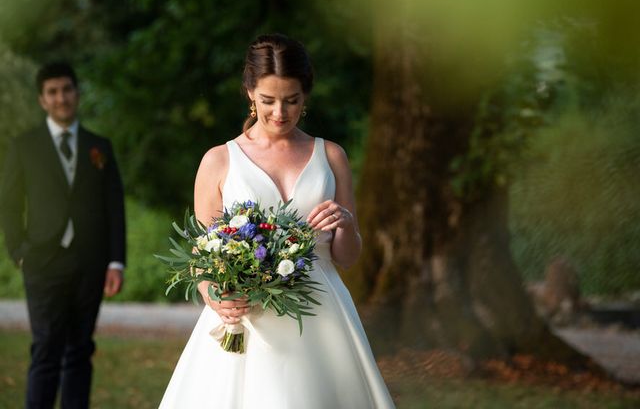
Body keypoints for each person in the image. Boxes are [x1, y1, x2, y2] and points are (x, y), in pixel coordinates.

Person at [159, 34, 395, 408]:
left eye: (292, 101)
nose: (280, 113)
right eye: (268, 100)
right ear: (250, 92)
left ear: (306, 96)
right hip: (249, 320)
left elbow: (347, 258)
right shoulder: (219, 161)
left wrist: (346, 224)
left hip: (322, 316)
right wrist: (216, 297)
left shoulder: (331, 157)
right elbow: (201, 260)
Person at [0, 62, 126, 409]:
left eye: (67, 89)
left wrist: (116, 261)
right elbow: (9, 204)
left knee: (80, 350)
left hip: (90, 262)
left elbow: (114, 206)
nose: (61, 98)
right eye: (53, 92)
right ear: (42, 100)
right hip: (41, 261)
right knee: (46, 349)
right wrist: (18, 251)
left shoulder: (99, 146)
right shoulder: (24, 146)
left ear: (77, 93)